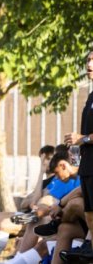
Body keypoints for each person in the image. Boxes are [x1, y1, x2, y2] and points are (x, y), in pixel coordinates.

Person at [64, 51, 93, 259]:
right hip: (87, 165)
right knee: (90, 213)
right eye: (88, 60)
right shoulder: (91, 96)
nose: (89, 64)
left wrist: (81, 139)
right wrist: (75, 148)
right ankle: (89, 247)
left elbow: (85, 136)